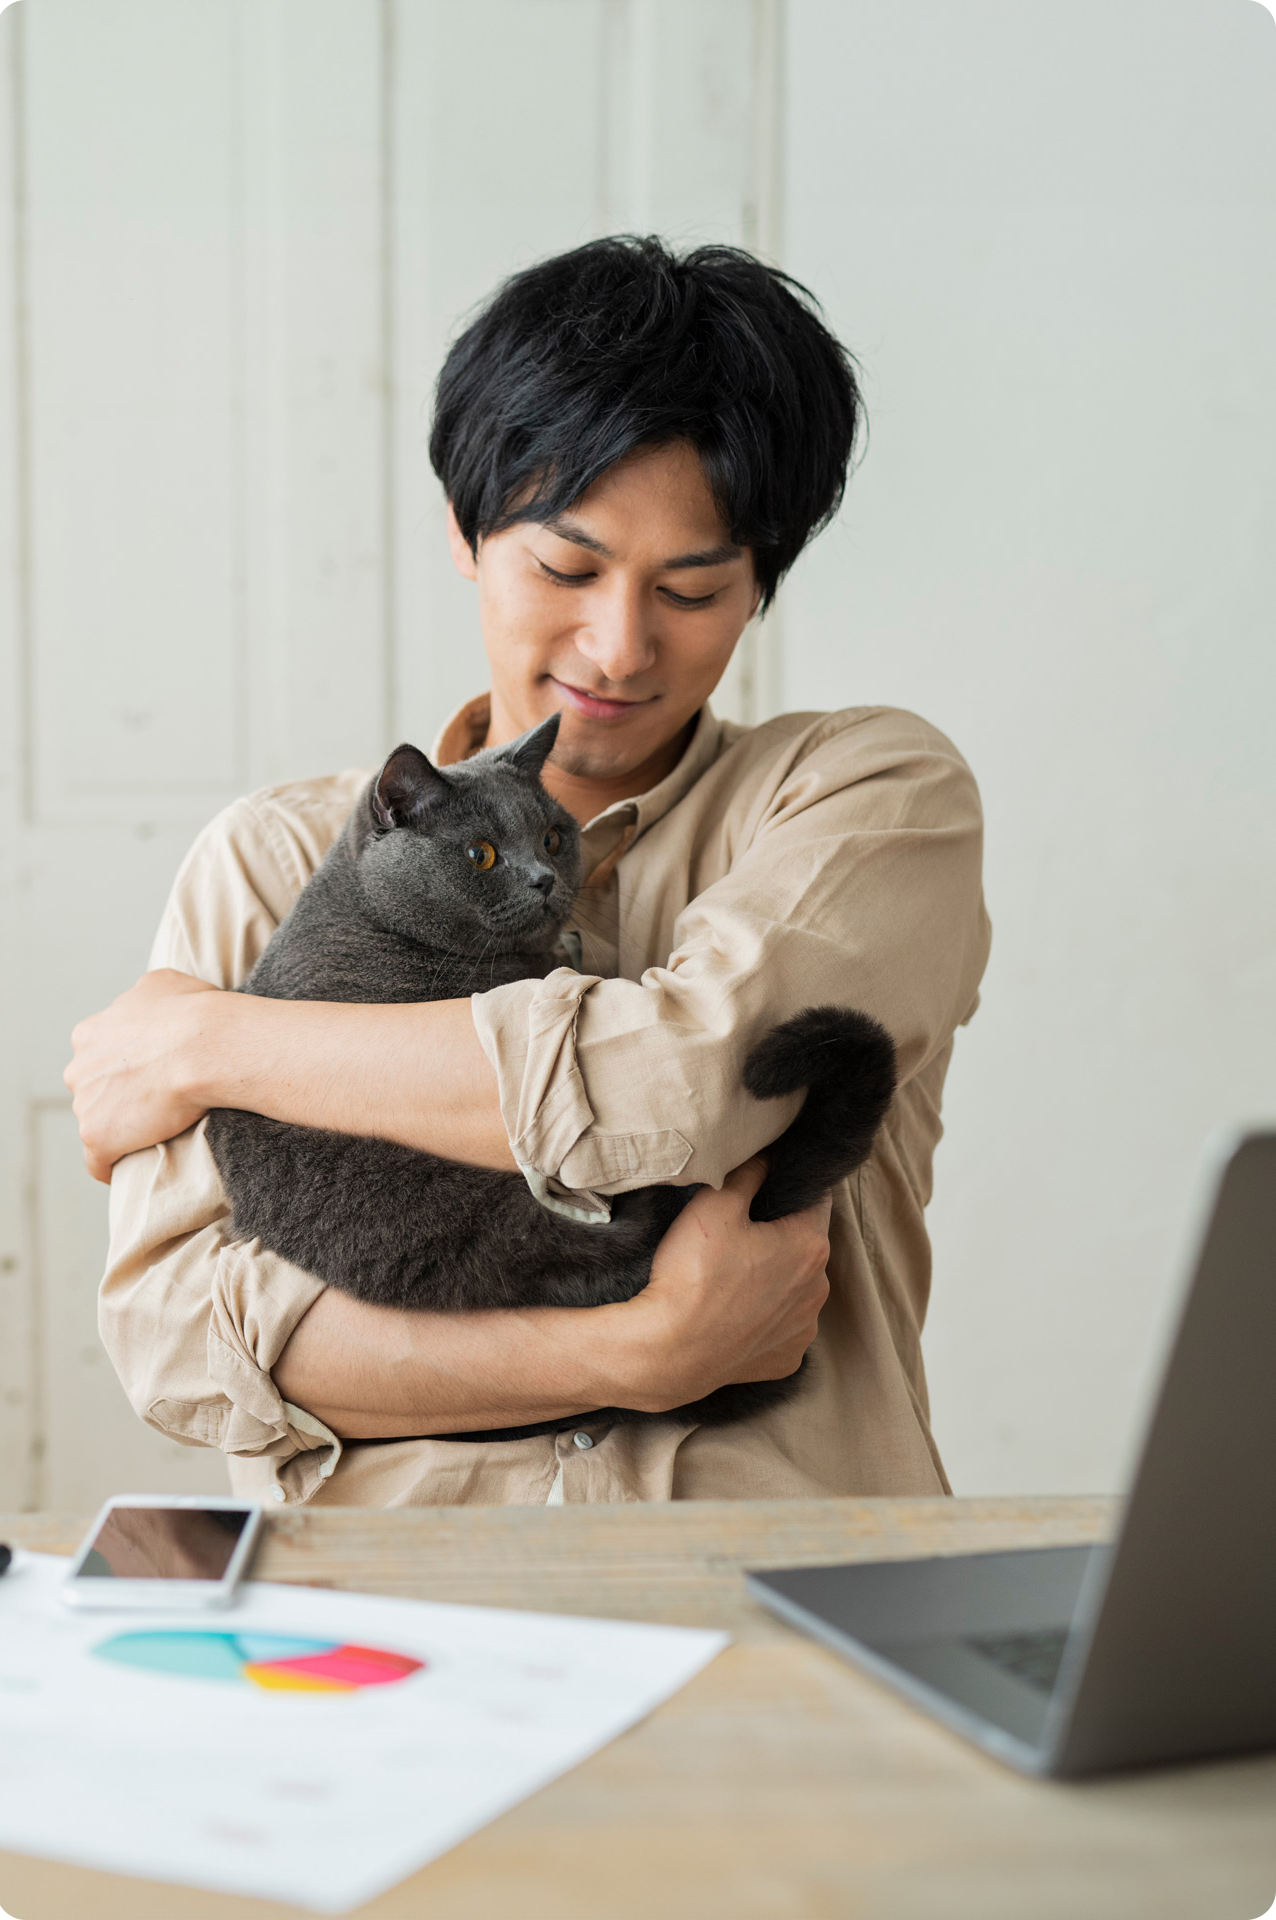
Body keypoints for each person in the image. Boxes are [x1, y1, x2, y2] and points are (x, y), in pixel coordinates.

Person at [66, 237, 990, 1508]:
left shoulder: (866, 797)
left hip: (781, 1589)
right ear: (463, 528)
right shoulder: (268, 859)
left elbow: (687, 1078)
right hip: (403, 1620)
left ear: (760, 583)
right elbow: (183, 1339)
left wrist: (212, 1046)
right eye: (565, 568)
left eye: (693, 586)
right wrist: (641, 1348)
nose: (617, 646)